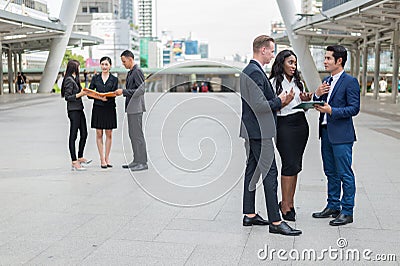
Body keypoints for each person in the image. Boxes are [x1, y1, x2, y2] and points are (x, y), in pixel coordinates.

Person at [239, 35, 301, 236]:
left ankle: (249, 214)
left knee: (252, 171)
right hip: (260, 132)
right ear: (263, 50)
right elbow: (259, 106)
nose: (273, 55)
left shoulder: (250, 70)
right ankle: (276, 220)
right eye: (272, 51)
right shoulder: (255, 73)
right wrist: (280, 101)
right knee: (270, 173)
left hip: (253, 131)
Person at [312, 45, 360, 226]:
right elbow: (319, 103)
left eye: (328, 58)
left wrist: (332, 110)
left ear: (339, 61)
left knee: (345, 173)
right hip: (325, 133)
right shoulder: (327, 81)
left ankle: (347, 211)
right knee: (330, 172)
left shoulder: (350, 82)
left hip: (342, 136)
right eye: (324, 58)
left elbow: (354, 108)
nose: (325, 61)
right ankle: (333, 206)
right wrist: (317, 95)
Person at [269, 50, 311, 222]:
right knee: (288, 164)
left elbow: (302, 106)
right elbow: (271, 106)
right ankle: (284, 204)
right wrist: (283, 102)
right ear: (282, 63)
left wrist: (306, 100)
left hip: (301, 124)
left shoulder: (298, 82)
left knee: (295, 166)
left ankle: (290, 202)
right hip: (284, 125)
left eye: (295, 63)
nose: (293, 66)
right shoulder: (273, 83)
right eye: (290, 62)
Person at [115, 50, 148, 171]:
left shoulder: (138, 71)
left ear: (130, 59)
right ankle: (136, 160)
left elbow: (141, 90)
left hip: (136, 108)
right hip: (131, 108)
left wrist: (123, 92)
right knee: (132, 135)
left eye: (124, 61)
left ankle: (143, 162)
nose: (123, 64)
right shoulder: (130, 73)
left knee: (138, 135)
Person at [61, 60, 92, 171]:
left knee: (84, 133)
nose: (79, 68)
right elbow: (67, 97)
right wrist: (80, 94)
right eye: (78, 66)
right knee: (73, 136)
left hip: (79, 109)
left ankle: (80, 157)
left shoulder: (74, 79)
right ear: (74, 67)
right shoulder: (69, 80)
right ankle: (74, 161)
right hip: (73, 110)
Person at [88, 56, 118, 169]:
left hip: (109, 108)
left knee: (109, 134)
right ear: (100, 65)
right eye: (102, 64)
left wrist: (109, 96)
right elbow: (90, 93)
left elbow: (115, 93)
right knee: (99, 134)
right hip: (98, 108)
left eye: (106, 64)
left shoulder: (114, 79)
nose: (104, 66)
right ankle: (102, 159)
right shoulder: (95, 78)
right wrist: (100, 97)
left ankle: (107, 158)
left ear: (110, 66)